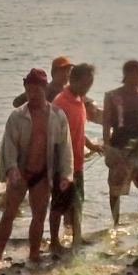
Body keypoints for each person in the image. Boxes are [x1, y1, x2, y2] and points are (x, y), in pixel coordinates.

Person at [0, 68, 73, 268]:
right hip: (21, 171)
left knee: (39, 215)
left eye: (37, 91)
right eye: (29, 90)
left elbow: (65, 147)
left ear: (45, 88)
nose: (33, 95)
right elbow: (9, 145)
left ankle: (34, 254)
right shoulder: (17, 116)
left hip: (43, 173)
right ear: (25, 89)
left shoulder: (57, 115)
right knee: (9, 213)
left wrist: (66, 174)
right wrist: (12, 168)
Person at [49, 63, 104, 254]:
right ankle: (54, 241)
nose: (88, 87)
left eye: (91, 83)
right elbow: (53, 136)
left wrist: (91, 146)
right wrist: (58, 167)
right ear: (74, 80)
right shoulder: (60, 102)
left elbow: (78, 131)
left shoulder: (79, 100)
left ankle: (76, 238)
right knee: (59, 204)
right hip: (63, 165)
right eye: (86, 83)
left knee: (78, 201)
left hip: (77, 163)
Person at [102, 59, 138, 238]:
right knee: (115, 190)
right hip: (119, 146)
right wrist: (107, 148)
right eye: (137, 73)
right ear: (128, 75)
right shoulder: (113, 96)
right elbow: (106, 123)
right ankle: (115, 225)